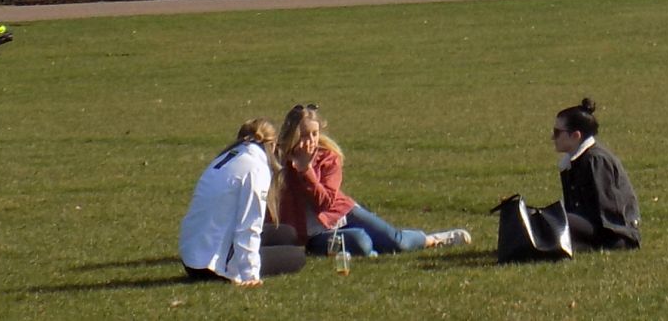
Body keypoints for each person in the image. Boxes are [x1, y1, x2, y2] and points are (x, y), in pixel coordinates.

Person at [268, 104, 470, 257]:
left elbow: (325, 202)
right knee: (362, 244)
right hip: (314, 234)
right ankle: (367, 250)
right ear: (292, 136)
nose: (310, 141)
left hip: (341, 213)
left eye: (314, 134)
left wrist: (307, 171)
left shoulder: (328, 157)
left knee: (397, 243)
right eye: (304, 135)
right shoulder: (278, 164)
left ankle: (433, 240)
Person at [178, 118, 306, 285]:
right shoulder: (256, 169)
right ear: (273, 145)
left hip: (192, 255)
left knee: (287, 233)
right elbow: (248, 226)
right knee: (297, 257)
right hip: (209, 266)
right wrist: (250, 275)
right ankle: (233, 266)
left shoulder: (229, 157)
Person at [552, 98, 640, 250]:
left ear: (576, 136)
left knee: (551, 219)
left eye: (557, 133)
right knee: (546, 219)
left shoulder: (596, 160)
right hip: (595, 228)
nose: (553, 138)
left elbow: (608, 215)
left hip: (617, 235)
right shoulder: (574, 160)